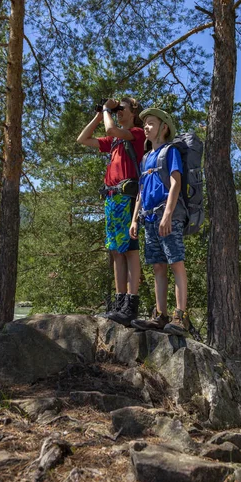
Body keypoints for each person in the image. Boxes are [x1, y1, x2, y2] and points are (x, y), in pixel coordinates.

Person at [77, 96, 145, 325]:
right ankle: (119, 302)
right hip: (111, 197)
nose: (118, 112)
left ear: (134, 112)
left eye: (122, 109)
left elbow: (111, 128)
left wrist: (107, 109)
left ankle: (132, 303)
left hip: (127, 197)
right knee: (116, 250)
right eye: (117, 110)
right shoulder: (115, 141)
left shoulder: (136, 132)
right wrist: (98, 115)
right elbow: (82, 139)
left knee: (130, 250)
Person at [129, 108, 189, 336]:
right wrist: (134, 220)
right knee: (157, 266)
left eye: (151, 123)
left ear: (164, 127)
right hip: (149, 218)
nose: (146, 127)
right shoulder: (145, 158)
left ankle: (180, 316)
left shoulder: (169, 151)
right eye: (145, 124)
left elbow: (176, 183)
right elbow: (141, 192)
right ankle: (160, 316)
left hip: (167, 216)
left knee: (176, 263)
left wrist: (168, 214)